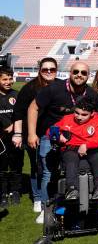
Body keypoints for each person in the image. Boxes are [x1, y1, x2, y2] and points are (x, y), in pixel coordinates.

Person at [27, 61, 98, 224]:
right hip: (51, 135)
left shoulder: (92, 94)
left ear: (88, 76)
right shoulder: (54, 88)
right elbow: (33, 108)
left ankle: (79, 202)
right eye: (76, 72)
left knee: (79, 168)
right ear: (70, 73)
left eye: (83, 72)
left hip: (78, 137)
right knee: (48, 172)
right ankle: (46, 208)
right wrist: (32, 133)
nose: (79, 75)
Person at [12, 57, 58, 214]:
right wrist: (18, 134)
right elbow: (18, 112)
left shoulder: (60, 86)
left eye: (52, 69)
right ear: (40, 70)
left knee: (51, 167)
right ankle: (38, 198)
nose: (49, 72)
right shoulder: (30, 88)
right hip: (32, 134)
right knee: (36, 165)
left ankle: (51, 196)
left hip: (53, 134)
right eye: (46, 69)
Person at [53, 98, 98, 201]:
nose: (79, 117)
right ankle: (72, 189)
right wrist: (57, 135)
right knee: (71, 160)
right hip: (71, 148)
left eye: (84, 115)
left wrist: (86, 145)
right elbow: (51, 130)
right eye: (77, 113)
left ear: (92, 114)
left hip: (90, 148)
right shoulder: (67, 119)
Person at [0, 67, 21, 208]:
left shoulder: (17, 95)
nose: (8, 82)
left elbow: (22, 115)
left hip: (15, 137)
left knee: (16, 165)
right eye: (4, 79)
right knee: (1, 166)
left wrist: (13, 127)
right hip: (0, 139)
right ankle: (2, 193)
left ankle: (15, 191)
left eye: (10, 79)